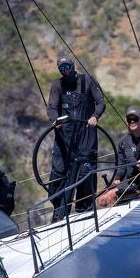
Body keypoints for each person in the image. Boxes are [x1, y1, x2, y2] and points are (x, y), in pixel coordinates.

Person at [46, 55, 106, 221]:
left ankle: (84, 210)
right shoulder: (57, 85)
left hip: (86, 135)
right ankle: (59, 211)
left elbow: (101, 103)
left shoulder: (87, 81)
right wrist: (55, 120)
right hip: (64, 139)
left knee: (85, 172)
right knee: (58, 174)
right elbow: (51, 108)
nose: (65, 71)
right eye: (61, 68)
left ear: (73, 66)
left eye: (67, 67)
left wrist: (95, 116)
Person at [97, 105, 140, 207]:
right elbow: (122, 163)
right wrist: (118, 177)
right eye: (130, 120)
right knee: (102, 200)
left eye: (135, 119)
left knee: (112, 196)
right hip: (133, 180)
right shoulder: (124, 141)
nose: (132, 122)